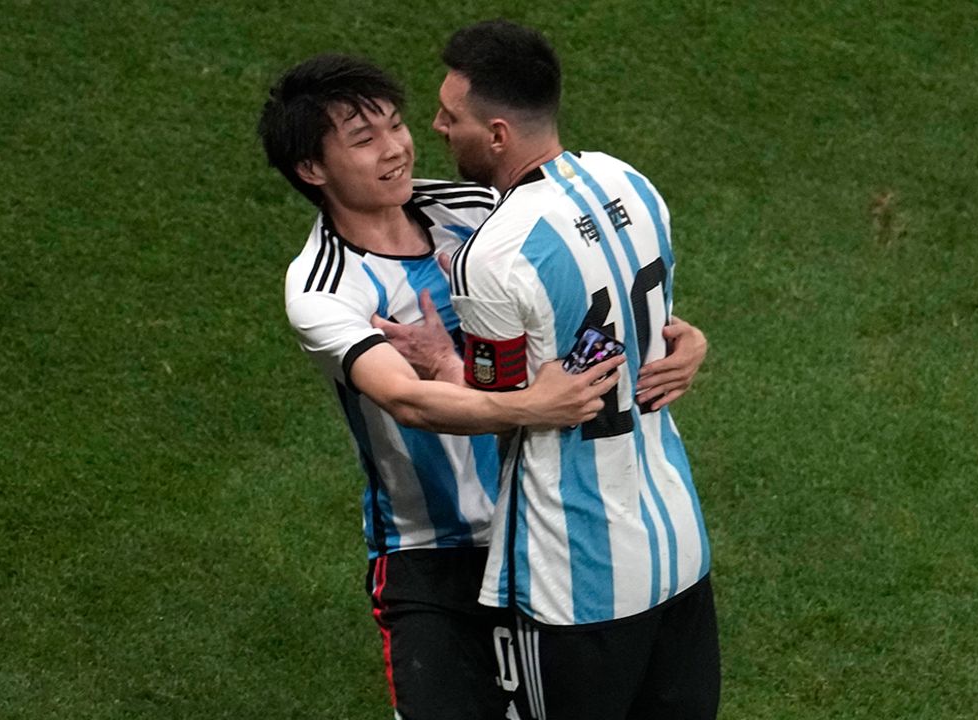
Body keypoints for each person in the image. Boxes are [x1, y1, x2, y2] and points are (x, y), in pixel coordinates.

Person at [257, 55, 707, 720]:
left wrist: (681, 335)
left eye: (395, 125)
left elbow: (588, 292)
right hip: (431, 551)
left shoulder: (476, 208)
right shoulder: (323, 287)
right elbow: (405, 399)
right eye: (364, 139)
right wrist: (530, 406)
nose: (397, 147)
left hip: (540, 527)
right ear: (312, 170)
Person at [421, 20, 721, 719]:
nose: (435, 126)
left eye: (450, 115)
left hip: (574, 575)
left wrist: (441, 361)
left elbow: (501, 411)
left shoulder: (492, 256)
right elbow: (664, 332)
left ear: (497, 135)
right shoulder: (630, 182)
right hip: (677, 545)